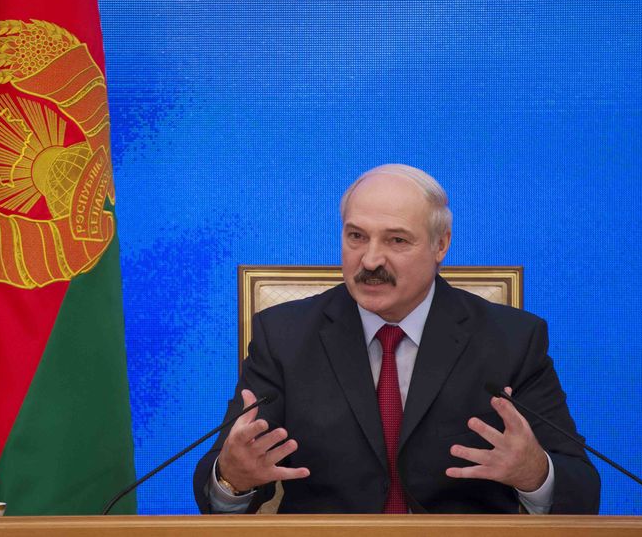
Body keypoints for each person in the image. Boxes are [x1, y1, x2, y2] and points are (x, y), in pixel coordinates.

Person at [193, 164, 600, 514]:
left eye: (396, 240)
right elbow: (218, 489)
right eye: (356, 237)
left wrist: (536, 474)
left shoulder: (512, 340)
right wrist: (232, 479)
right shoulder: (283, 336)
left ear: (441, 245)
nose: (370, 260)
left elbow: (583, 489)